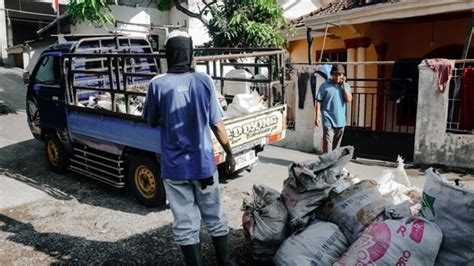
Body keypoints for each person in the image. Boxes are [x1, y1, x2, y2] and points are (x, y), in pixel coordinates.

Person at [142, 30, 236, 266]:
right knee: (215, 216)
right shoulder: (204, 81)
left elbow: (151, 120)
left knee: (185, 223)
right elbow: (217, 123)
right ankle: (226, 262)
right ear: (191, 52)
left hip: (174, 169)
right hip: (203, 166)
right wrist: (230, 153)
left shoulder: (157, 84)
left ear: (168, 54)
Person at [315, 64, 352, 153]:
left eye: (340, 75)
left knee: (336, 146)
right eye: (335, 74)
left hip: (340, 120)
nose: (337, 77)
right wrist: (317, 116)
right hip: (328, 118)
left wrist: (343, 87)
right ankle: (326, 164)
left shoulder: (346, 86)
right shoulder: (324, 86)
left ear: (343, 76)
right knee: (328, 144)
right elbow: (318, 101)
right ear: (332, 74)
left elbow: (349, 99)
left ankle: (332, 164)